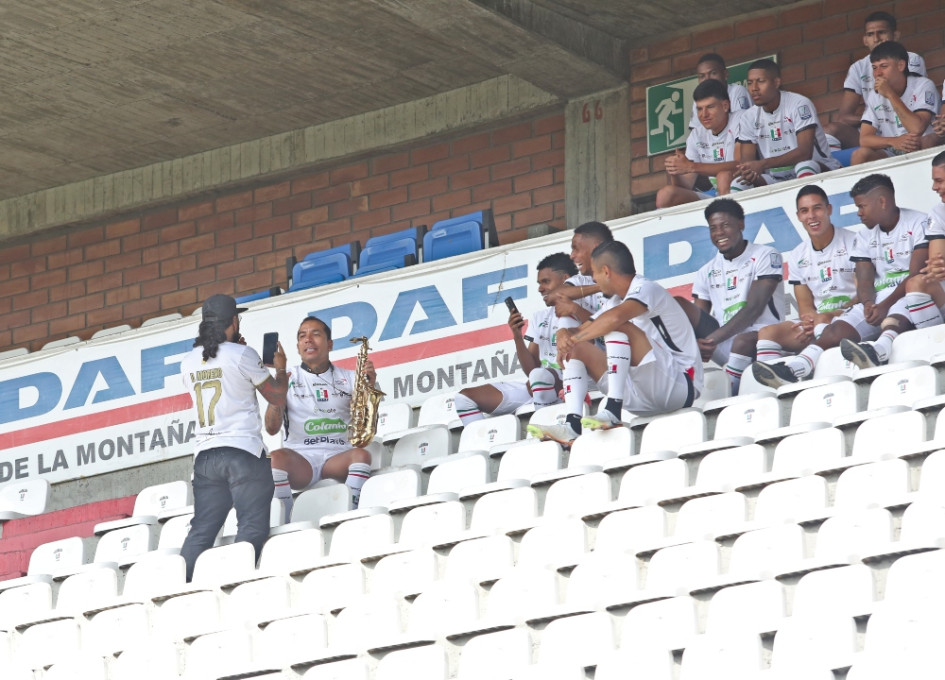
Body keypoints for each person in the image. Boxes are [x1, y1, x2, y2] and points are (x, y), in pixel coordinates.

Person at [752, 174, 930, 387]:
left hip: (907, 294)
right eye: (804, 211)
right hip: (877, 300)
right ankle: (795, 368)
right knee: (835, 331)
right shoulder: (865, 236)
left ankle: (879, 351)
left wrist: (879, 305)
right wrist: (868, 304)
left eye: (861, 206)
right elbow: (865, 281)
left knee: (902, 304)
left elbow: (916, 274)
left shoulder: (918, 221)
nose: (859, 213)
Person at [527, 241, 702, 446]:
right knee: (577, 348)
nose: (593, 280)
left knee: (617, 326)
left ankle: (612, 410)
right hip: (638, 395)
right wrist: (565, 335)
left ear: (606, 271)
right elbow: (589, 328)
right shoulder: (614, 301)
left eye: (594, 274)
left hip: (679, 386)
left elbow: (614, 320)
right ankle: (572, 425)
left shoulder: (645, 288)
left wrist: (574, 336)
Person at [179, 294, 289, 581]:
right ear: (234, 321)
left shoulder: (188, 362)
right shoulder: (243, 354)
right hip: (242, 452)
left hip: (205, 458)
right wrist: (280, 369)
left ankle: (182, 588)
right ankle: (239, 583)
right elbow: (276, 395)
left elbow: (220, 368)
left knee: (202, 531)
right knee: (251, 527)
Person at [266, 316, 376, 517]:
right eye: (302, 336)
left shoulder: (351, 377)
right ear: (298, 347)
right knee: (274, 459)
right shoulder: (287, 376)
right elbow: (271, 428)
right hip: (301, 459)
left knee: (362, 456)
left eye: (316, 334)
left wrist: (369, 388)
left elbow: (368, 423)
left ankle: (349, 515)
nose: (308, 339)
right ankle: (287, 519)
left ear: (330, 344)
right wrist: (278, 392)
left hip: (337, 457)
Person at [674, 198, 784, 394]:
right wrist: (695, 344)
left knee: (743, 340)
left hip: (762, 339)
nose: (719, 233)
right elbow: (699, 316)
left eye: (725, 226)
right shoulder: (705, 271)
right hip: (723, 342)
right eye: (713, 228)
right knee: (679, 305)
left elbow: (754, 309)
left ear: (741, 224)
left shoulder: (766, 254)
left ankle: (732, 396)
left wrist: (713, 339)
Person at [844, 153, 945, 367]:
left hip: (899, 297)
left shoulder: (916, 221)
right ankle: (892, 348)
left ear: (881, 201)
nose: (934, 188)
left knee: (912, 284)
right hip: (904, 294)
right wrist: (870, 303)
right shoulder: (938, 212)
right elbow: (937, 264)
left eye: (939, 181)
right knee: (916, 284)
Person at [453, 253, 577, 426]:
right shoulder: (540, 317)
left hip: (573, 382)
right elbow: (531, 369)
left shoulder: (586, 309)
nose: (540, 289)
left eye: (545, 282)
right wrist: (517, 336)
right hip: (540, 385)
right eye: (539, 283)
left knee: (539, 377)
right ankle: (485, 448)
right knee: (464, 398)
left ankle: (545, 431)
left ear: (565, 279)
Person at [754, 186, 858, 368]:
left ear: (829, 209)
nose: (811, 216)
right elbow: (806, 307)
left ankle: (826, 371)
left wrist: (832, 314)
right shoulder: (797, 255)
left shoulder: (854, 241)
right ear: (799, 216)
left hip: (852, 315)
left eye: (817, 208)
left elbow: (864, 294)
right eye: (804, 211)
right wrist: (810, 320)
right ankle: (773, 385)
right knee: (767, 333)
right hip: (818, 320)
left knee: (821, 321)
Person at [826, 11, 928, 150]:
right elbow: (844, 117)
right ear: (865, 40)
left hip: (907, 128)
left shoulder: (911, 59)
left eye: (882, 32)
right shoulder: (858, 68)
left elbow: (914, 102)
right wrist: (876, 119)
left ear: (895, 36)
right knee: (831, 130)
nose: (876, 39)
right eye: (870, 34)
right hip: (876, 134)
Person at [734, 59, 841, 188]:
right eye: (750, 83)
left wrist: (763, 164)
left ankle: (807, 205)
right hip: (775, 178)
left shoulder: (798, 104)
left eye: (761, 81)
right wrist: (748, 171)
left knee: (804, 166)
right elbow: (748, 162)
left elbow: (804, 153)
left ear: (776, 82)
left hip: (818, 168)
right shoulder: (748, 117)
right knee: (738, 185)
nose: (754, 88)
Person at [658, 79, 748, 208]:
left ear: (725, 106)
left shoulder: (741, 119)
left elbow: (740, 164)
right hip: (718, 195)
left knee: (723, 176)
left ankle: (728, 220)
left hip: (749, 186)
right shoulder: (696, 135)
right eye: (699, 109)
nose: (704, 114)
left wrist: (691, 166)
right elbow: (686, 185)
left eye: (710, 107)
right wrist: (675, 170)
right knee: (665, 195)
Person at [851, 41, 941, 165]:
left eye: (883, 66)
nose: (878, 73)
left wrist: (890, 94)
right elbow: (864, 139)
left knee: (925, 141)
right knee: (860, 155)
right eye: (874, 67)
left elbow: (916, 129)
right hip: (893, 151)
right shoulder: (875, 95)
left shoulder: (923, 85)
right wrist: (894, 141)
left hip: (922, 146)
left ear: (900, 65)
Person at [688, 52, 751, 128]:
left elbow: (742, 127)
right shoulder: (699, 99)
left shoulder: (737, 91)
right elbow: (695, 132)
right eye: (702, 76)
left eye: (713, 73)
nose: (707, 79)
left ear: (725, 74)